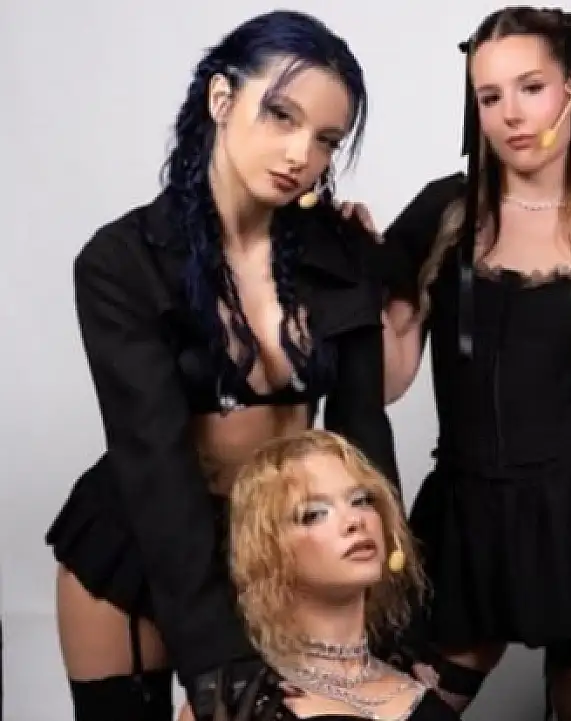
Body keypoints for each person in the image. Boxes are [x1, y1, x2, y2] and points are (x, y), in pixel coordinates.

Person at [44, 11, 396, 721]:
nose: (300, 153)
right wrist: (214, 657)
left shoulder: (341, 252)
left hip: (283, 543)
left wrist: (392, 600)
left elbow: (362, 437)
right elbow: (153, 462)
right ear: (221, 99)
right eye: (281, 115)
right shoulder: (123, 262)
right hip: (144, 546)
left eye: (326, 140)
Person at [367, 7, 571, 720]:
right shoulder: (445, 213)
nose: (510, 114)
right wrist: (359, 272)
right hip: (465, 516)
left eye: (531, 87)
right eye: (489, 96)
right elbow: (390, 379)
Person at [176, 430, 456, 721]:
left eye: (361, 500)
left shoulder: (423, 697)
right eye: (314, 514)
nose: (354, 521)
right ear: (268, 550)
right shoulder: (235, 702)